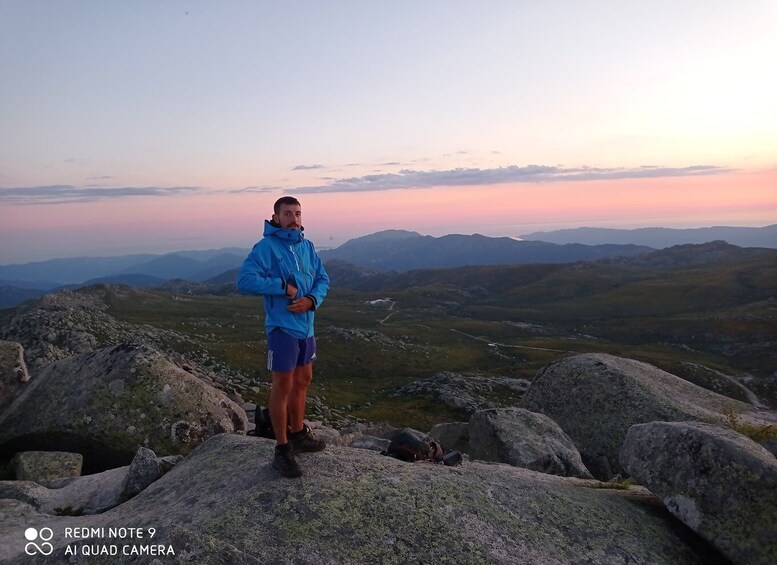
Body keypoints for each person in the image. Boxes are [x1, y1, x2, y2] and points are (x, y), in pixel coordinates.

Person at [237, 196, 330, 478]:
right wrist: (281, 288)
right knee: (284, 384)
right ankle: (282, 448)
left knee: (303, 380)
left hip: (307, 326)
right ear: (275, 217)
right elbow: (244, 281)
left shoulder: (307, 246)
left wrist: (312, 299)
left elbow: (323, 279)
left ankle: (298, 433)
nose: (294, 218)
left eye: (298, 213)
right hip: (281, 328)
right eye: (287, 213)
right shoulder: (266, 247)